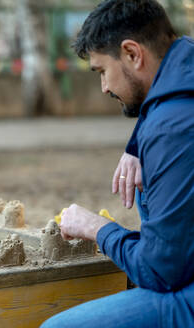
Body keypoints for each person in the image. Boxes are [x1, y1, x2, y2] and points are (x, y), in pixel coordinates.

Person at [41, 0, 194, 327]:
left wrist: (95, 228)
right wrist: (136, 145)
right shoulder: (185, 69)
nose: (105, 87)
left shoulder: (172, 129)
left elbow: (160, 272)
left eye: (102, 71)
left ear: (132, 54)